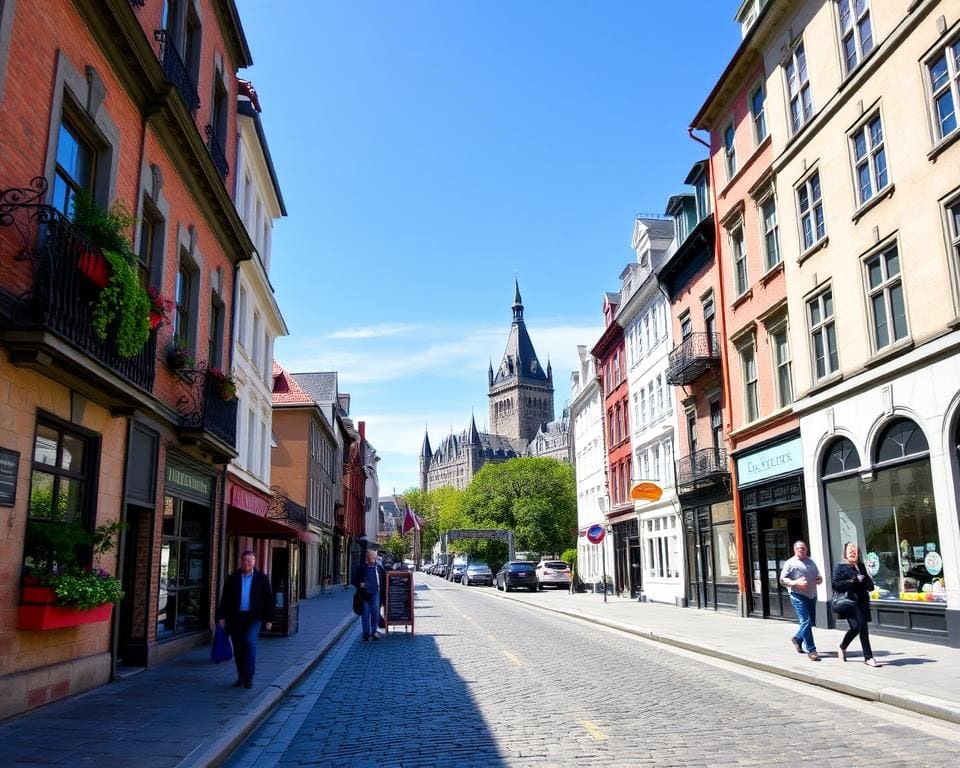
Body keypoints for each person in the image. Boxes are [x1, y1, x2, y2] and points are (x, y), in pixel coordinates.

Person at [216, 550, 274, 688]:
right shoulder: (232, 578)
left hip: (254, 618)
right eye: (243, 560)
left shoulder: (262, 579)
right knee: (238, 647)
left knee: (249, 642)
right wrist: (221, 616)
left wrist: (269, 620)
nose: (245, 563)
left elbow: (268, 600)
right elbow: (225, 599)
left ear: (254, 561)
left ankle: (249, 676)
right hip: (236, 618)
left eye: (248, 560)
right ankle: (241, 676)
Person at [832, 541, 881, 667]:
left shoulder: (861, 567)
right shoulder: (841, 567)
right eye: (850, 551)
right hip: (849, 602)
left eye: (855, 551)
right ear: (845, 554)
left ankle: (842, 646)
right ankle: (868, 657)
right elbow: (836, 585)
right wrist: (851, 581)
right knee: (861, 628)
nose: (853, 552)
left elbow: (870, 587)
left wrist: (864, 579)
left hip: (862, 602)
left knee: (858, 628)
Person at [779, 540, 823, 661]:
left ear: (806, 550)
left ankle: (798, 638)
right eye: (799, 548)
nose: (801, 550)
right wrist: (795, 583)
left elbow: (819, 577)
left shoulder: (811, 561)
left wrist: (818, 580)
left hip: (811, 595)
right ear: (794, 550)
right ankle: (812, 650)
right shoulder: (790, 563)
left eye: (803, 548)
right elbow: (782, 580)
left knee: (811, 622)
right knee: (806, 621)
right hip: (797, 595)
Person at [352, 548, 386, 641]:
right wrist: (361, 587)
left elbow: (384, 581)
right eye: (368, 556)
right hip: (364, 594)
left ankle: (374, 631)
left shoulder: (379, 567)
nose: (369, 558)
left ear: (375, 558)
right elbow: (355, 580)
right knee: (365, 613)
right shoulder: (362, 568)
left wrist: (383, 597)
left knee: (375, 613)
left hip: (376, 593)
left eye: (372, 557)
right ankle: (366, 633)